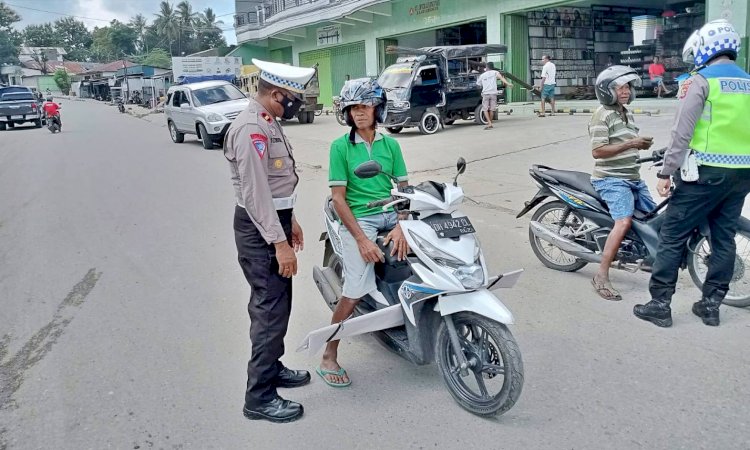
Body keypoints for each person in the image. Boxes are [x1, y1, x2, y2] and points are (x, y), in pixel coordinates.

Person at [634, 20, 750, 328]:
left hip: (704, 174)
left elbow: (681, 132)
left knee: (673, 235)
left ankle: (659, 303)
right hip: (742, 174)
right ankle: (710, 305)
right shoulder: (748, 81)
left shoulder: (700, 80)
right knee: (724, 237)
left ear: (705, 48)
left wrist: (665, 171)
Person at [223, 58, 316, 423]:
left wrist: (290, 221)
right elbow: (255, 192)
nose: (297, 104)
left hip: (273, 222)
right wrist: (279, 243)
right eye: (293, 98)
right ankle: (258, 397)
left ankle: (272, 368)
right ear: (276, 94)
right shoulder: (251, 128)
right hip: (260, 231)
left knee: (279, 305)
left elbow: (276, 186)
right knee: (269, 309)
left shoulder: (267, 120)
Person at [318, 78, 410, 387]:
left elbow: (403, 188)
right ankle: (329, 354)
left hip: (390, 214)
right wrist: (361, 240)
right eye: (354, 108)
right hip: (360, 219)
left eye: (365, 107)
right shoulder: (340, 147)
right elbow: (338, 198)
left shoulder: (391, 144)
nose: (359, 113)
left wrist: (401, 225)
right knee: (356, 288)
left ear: (377, 109)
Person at [589, 66, 656, 300]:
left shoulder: (626, 112)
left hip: (633, 179)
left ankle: (648, 259)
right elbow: (598, 151)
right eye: (620, 87)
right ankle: (601, 275)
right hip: (610, 180)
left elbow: (629, 143)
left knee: (654, 218)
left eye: (628, 87)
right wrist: (631, 145)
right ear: (607, 91)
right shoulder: (602, 114)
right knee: (624, 221)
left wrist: (642, 147)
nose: (626, 91)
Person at [475, 62, 513, 130]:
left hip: (486, 94)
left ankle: (489, 123)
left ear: (486, 67)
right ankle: (490, 122)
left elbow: (478, 84)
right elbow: (501, 78)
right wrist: (508, 84)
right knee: (492, 109)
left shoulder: (482, 75)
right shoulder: (495, 72)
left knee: (485, 109)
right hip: (493, 93)